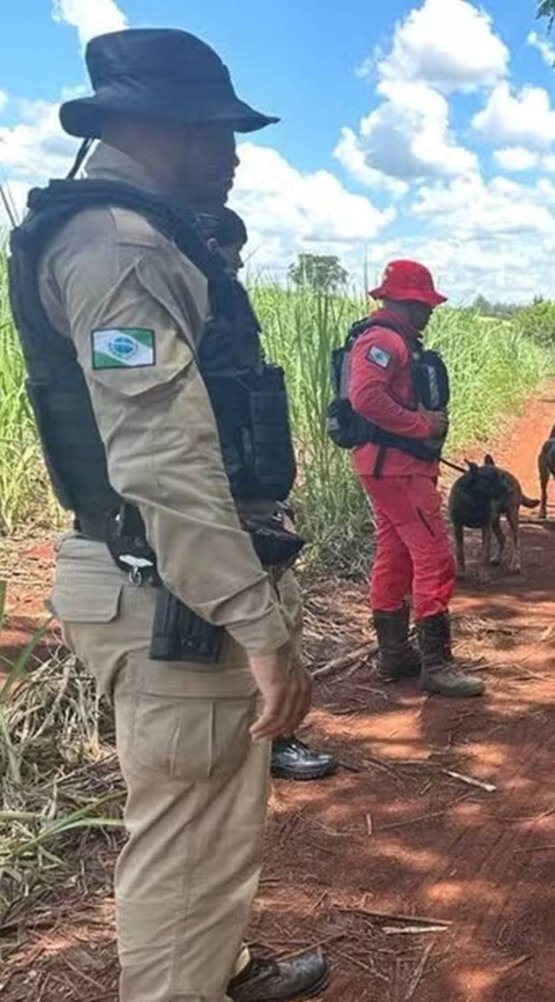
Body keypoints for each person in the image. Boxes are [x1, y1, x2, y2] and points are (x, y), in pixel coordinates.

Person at [6, 28, 328, 1002]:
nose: (232, 155)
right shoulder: (122, 248)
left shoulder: (131, 234)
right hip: (170, 592)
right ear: (163, 127)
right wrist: (258, 624)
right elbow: (163, 459)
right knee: (188, 839)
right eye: (219, 133)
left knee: (212, 817)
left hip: (165, 578)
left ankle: (218, 969)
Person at [196, 206, 337, 783]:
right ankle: (268, 740)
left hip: (248, 495)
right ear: (210, 243)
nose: (235, 265)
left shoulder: (219, 306)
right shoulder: (189, 301)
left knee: (282, 609)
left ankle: (268, 737)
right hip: (221, 500)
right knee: (263, 620)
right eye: (231, 253)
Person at [345, 260, 485, 697]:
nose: (430, 312)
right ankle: (437, 665)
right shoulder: (384, 340)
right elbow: (365, 396)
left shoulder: (388, 339)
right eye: (425, 305)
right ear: (407, 302)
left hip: (388, 467)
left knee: (395, 555)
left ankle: (395, 655)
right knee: (434, 558)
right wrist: (420, 425)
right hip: (398, 469)